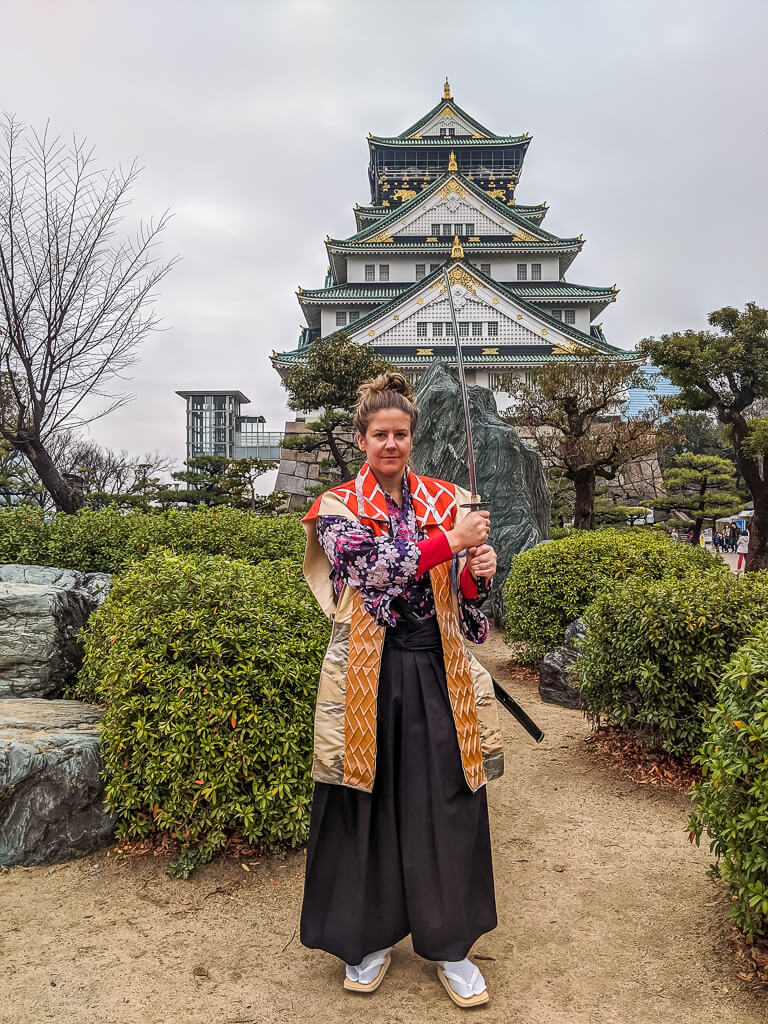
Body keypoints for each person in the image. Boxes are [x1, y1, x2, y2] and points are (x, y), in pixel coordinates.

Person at [298, 371, 504, 1009]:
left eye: (402, 434)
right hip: (366, 674)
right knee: (368, 798)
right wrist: (452, 543)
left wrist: (478, 572)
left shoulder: (448, 499)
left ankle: (450, 945)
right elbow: (373, 568)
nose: (391, 443)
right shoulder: (337, 507)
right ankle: (370, 936)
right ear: (361, 439)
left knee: (447, 797)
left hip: (436, 668)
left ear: (414, 438)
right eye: (380, 434)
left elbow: (470, 614)